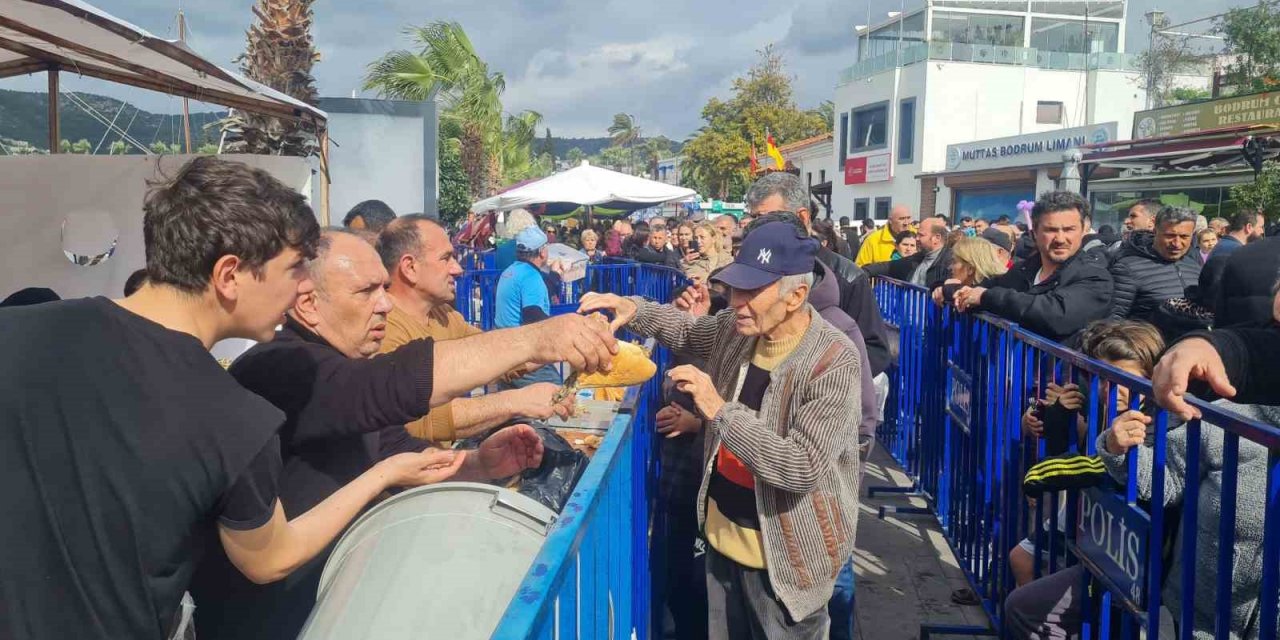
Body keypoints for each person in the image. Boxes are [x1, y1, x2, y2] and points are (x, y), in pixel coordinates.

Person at [0, 157, 426, 639]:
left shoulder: (16, 330)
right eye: (292, 269)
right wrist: (384, 475)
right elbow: (270, 558)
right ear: (229, 275)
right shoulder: (234, 419)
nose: (303, 287)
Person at [189, 228, 585, 639]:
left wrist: (478, 464)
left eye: (384, 288)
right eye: (366, 292)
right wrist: (536, 340)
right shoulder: (284, 366)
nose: (385, 304)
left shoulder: (340, 366)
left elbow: (398, 453)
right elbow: (389, 388)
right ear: (308, 304)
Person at [579, 221, 863, 640]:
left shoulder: (834, 361)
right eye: (734, 288)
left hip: (785, 565)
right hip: (722, 543)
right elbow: (689, 330)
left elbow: (800, 466)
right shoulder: (736, 328)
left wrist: (717, 409)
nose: (736, 302)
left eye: (751, 292)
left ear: (797, 296)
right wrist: (634, 308)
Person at [375, 215, 574, 443]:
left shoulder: (445, 316)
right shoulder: (384, 329)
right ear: (410, 267)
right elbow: (415, 422)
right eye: (446, 258)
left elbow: (497, 354)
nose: (457, 269)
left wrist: (561, 345)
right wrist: (515, 401)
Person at [743, 172, 891, 379]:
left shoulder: (847, 277)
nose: (755, 228)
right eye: (753, 218)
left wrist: (816, 378)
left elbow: (875, 352)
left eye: (766, 219)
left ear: (802, 217)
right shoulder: (751, 267)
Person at [952, 191, 1114, 343]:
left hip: (1059, 373)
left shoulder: (1096, 277)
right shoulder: (1022, 270)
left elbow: (1055, 315)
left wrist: (987, 297)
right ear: (1035, 232)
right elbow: (979, 290)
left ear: (1083, 231)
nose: (1060, 238)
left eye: (1069, 230)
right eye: (1050, 230)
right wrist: (946, 290)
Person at [494, 226, 574, 387]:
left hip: (504, 351)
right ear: (543, 252)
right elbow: (533, 314)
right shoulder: (531, 276)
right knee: (554, 398)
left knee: (513, 407)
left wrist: (554, 275)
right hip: (524, 353)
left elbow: (533, 296)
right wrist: (561, 329)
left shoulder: (510, 271)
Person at [1109, 206, 1201, 322]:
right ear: (1155, 231)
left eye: (1184, 237)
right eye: (1170, 236)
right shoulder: (1128, 269)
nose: (1177, 243)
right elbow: (1112, 321)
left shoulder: (1195, 267)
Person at [865, 216, 950, 288]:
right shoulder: (917, 258)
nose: (916, 238)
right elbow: (889, 266)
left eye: (921, 235)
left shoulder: (951, 263)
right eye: (917, 234)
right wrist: (865, 271)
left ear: (937, 238)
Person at [931, 236, 1009, 308]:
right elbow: (936, 284)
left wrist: (947, 290)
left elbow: (967, 294)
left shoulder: (995, 290)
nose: (950, 267)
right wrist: (941, 287)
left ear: (970, 269)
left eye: (954, 262)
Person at [1200, 210, 1266, 290]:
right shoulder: (1237, 252)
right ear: (1249, 227)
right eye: (1261, 227)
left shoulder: (1222, 245)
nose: (1262, 231)